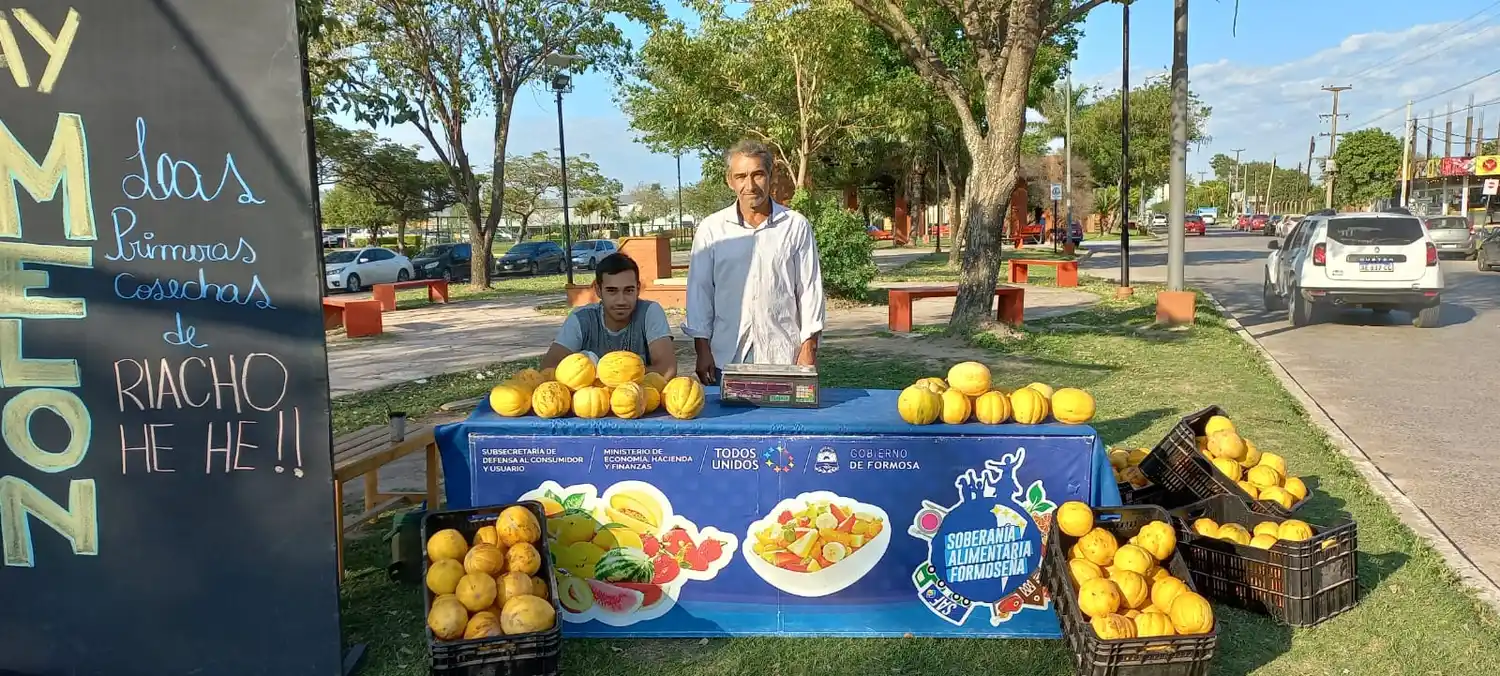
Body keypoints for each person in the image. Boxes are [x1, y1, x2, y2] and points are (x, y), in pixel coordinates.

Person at [682, 139, 826, 384]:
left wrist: (809, 348)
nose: (750, 185)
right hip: (726, 356)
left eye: (758, 174)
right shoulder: (712, 230)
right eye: (741, 176)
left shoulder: (795, 225)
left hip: (783, 355)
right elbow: (700, 292)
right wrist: (702, 349)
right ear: (730, 181)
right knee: (730, 421)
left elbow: (809, 289)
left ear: (770, 176)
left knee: (784, 421)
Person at [541, 253, 676, 378]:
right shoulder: (581, 319)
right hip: (591, 401)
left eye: (629, 290)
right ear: (598, 290)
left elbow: (667, 369)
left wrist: (604, 375)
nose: (621, 300)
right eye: (612, 291)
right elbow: (548, 369)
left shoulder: (649, 312)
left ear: (638, 289)